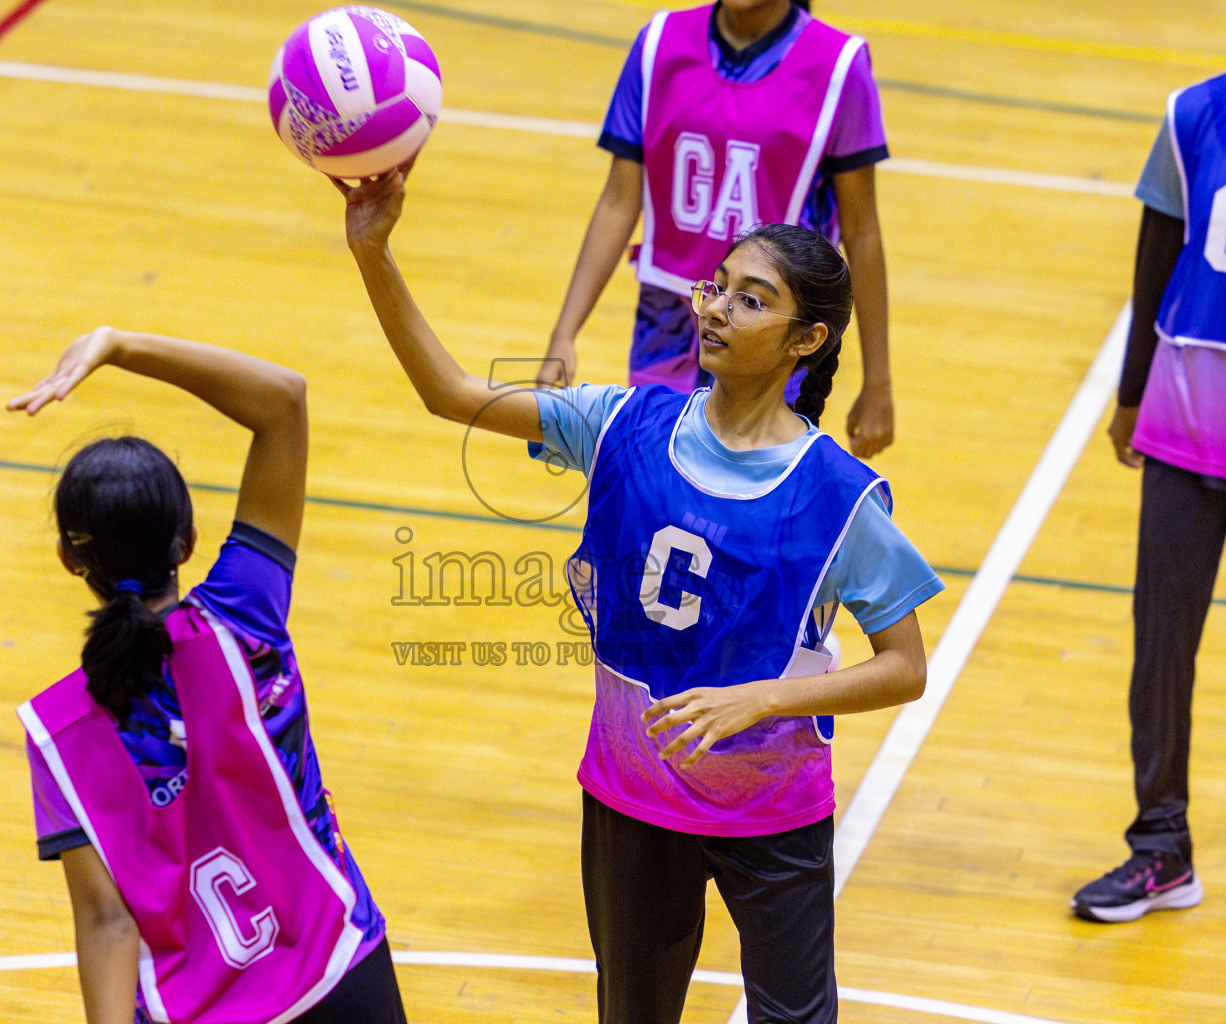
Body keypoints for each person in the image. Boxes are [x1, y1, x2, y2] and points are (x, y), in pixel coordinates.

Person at [336, 167, 942, 1023]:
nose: (717, 310)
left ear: (806, 340)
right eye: (717, 288)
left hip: (773, 809)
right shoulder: (621, 422)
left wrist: (763, 699)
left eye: (751, 300)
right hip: (632, 797)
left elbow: (905, 668)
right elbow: (453, 396)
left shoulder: (838, 497)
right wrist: (372, 253)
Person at [9, 328, 405, 1023]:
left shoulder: (61, 733)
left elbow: (106, 925)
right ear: (188, 542)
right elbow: (283, 401)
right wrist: (119, 345)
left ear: (71, 562)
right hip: (342, 975)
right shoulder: (245, 619)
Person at [1071, 0, 1226, 925]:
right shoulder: (1193, 116)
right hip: (1189, 418)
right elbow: (1155, 264)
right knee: (1162, 638)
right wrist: (1132, 396)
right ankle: (1160, 846)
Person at [537, 0, 896, 460]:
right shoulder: (658, 43)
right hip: (668, 321)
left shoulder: (840, 65)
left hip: (769, 332)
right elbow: (617, 201)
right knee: (651, 480)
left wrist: (878, 380)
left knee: (746, 502)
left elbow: (862, 231)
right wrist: (564, 334)